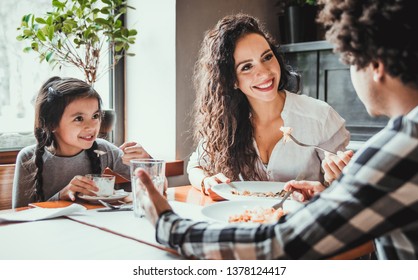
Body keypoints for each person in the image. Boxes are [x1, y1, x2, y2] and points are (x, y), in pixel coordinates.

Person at [135, 0, 418, 260]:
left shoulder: (401, 148)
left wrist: (167, 224)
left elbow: (280, 244)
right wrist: (333, 191)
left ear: (376, 66)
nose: (263, 72)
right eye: (246, 67)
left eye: (350, 62)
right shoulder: (400, 141)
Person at [187, 13, 350, 195]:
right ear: (232, 80)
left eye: (266, 57)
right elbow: (195, 166)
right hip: (246, 219)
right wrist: (206, 181)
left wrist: (335, 179)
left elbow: (343, 187)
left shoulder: (320, 116)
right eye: (247, 67)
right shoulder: (225, 122)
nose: (264, 73)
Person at [12, 76, 151, 208]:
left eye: (95, 116)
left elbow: (156, 189)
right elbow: (18, 216)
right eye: (79, 118)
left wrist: (147, 163)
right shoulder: (28, 158)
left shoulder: (104, 150)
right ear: (51, 124)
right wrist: (61, 196)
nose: (91, 126)